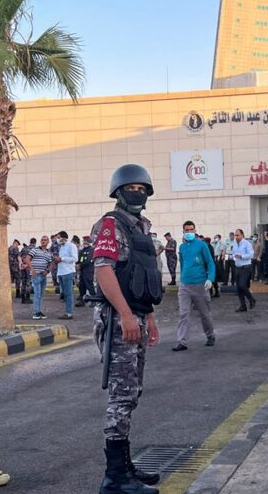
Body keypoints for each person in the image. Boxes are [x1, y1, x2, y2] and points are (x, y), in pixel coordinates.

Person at [90, 164, 162, 494]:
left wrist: (146, 317)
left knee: (132, 393)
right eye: (131, 187)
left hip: (135, 316)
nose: (137, 192)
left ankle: (126, 467)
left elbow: (139, 277)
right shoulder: (111, 224)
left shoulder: (140, 226)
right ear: (118, 192)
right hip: (119, 319)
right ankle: (114, 477)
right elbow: (105, 272)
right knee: (121, 395)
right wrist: (125, 315)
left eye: (142, 187)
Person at [172, 221, 216, 351]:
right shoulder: (182, 247)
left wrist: (210, 279)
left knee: (204, 313)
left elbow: (210, 263)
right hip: (185, 285)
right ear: (183, 232)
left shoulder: (202, 245)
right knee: (183, 313)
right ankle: (182, 341)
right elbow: (183, 263)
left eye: (191, 230)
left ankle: (210, 335)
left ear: (195, 230)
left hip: (200, 284)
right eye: (187, 230)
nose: (189, 232)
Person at [28, 235, 53, 320]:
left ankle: (39, 311)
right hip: (36, 275)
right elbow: (27, 259)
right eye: (42, 240)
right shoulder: (35, 250)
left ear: (48, 242)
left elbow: (50, 264)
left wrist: (47, 271)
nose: (43, 241)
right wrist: (32, 269)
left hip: (43, 275)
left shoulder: (49, 253)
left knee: (41, 295)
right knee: (37, 294)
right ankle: (36, 312)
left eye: (45, 240)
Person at [230, 229, 255, 312]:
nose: (236, 237)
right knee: (238, 288)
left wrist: (241, 256)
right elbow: (233, 253)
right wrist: (232, 256)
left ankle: (251, 299)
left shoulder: (247, 243)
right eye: (235, 235)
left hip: (245, 267)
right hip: (237, 267)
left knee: (242, 285)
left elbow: (251, 254)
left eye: (237, 235)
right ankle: (243, 306)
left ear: (242, 235)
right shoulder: (234, 244)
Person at [56, 231, 78, 320]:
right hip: (61, 272)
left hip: (68, 272)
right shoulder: (61, 247)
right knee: (64, 294)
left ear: (64, 237)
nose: (57, 239)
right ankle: (67, 311)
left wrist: (62, 259)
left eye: (59, 237)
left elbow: (74, 258)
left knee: (69, 293)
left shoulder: (71, 246)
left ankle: (69, 313)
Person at [76, 235, 95, 307]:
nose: (84, 242)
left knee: (89, 285)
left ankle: (94, 300)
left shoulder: (91, 250)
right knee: (82, 286)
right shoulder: (82, 250)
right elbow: (79, 259)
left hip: (88, 270)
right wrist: (77, 264)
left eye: (86, 241)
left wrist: (80, 265)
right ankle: (82, 300)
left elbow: (89, 260)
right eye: (84, 241)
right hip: (82, 270)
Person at [19, 238, 35, 304]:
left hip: (23, 267)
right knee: (29, 283)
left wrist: (21, 264)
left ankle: (23, 298)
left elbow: (19, 256)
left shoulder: (24, 248)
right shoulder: (34, 249)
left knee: (23, 282)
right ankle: (27, 298)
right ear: (35, 242)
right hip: (29, 267)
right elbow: (33, 259)